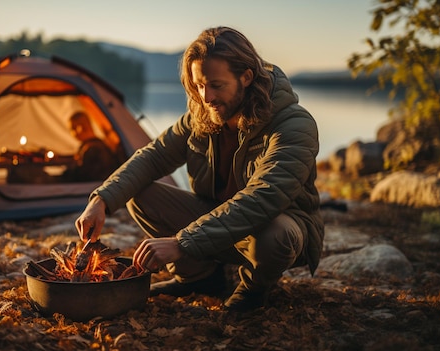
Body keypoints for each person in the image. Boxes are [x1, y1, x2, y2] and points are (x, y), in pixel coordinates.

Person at [75, 27, 324, 312]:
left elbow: (263, 199)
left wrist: (181, 243)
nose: (206, 97)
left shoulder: (293, 124)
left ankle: (253, 290)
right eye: (199, 85)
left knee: (275, 235)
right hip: (217, 223)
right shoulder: (202, 117)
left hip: (274, 230)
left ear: (246, 77)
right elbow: (152, 157)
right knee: (139, 193)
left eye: (216, 85)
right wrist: (101, 200)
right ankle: (200, 278)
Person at [65, 111, 119, 182]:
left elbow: (85, 176)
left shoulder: (93, 149)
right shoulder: (91, 145)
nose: (73, 133)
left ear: (81, 128)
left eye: (73, 128)